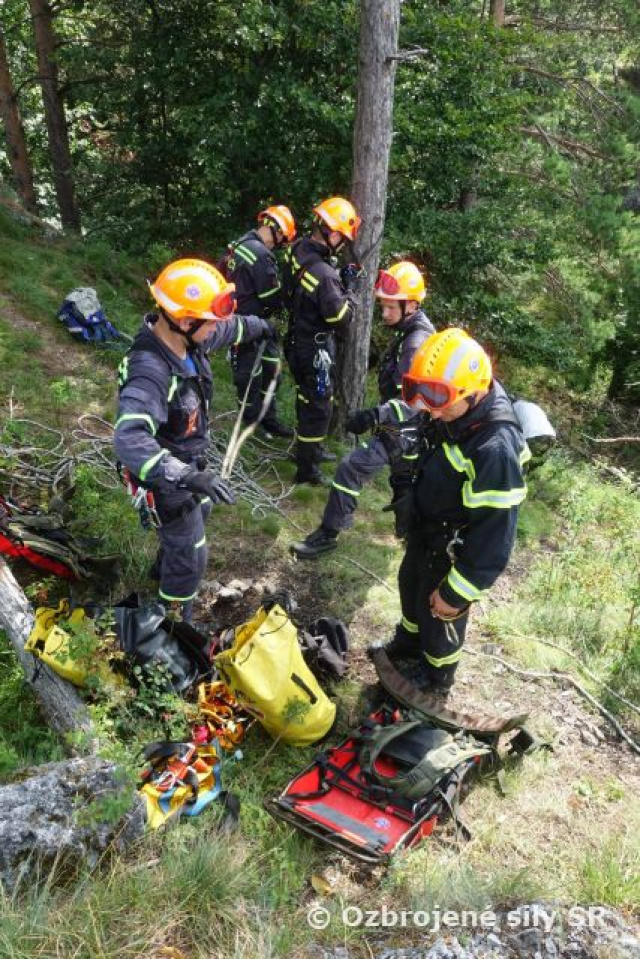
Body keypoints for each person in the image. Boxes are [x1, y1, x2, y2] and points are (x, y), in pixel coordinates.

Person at [114, 258, 275, 621]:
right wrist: (186, 476)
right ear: (186, 321)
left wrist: (259, 326)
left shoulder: (186, 339)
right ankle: (173, 623)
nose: (216, 326)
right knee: (192, 553)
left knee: (198, 512)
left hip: (186, 466)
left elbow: (226, 328)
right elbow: (130, 439)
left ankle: (162, 570)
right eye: (210, 319)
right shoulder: (150, 372)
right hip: (164, 478)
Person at [374, 328, 530, 696]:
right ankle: (408, 645)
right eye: (421, 393)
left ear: (472, 393)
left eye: (438, 397)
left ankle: (436, 677)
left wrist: (457, 593)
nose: (430, 407)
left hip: (454, 550)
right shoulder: (453, 413)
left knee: (438, 615)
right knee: (411, 586)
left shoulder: (495, 449)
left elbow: (493, 540)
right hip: (427, 532)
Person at [291, 261, 435, 558]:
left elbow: (415, 400)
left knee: (350, 468)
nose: (384, 314)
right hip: (410, 429)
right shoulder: (414, 330)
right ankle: (413, 539)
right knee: (404, 484)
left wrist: (374, 416)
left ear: (410, 304)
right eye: (382, 306)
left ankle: (327, 535)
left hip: (402, 429)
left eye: (390, 307)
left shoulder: (415, 342)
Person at [282, 196, 361, 485]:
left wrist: (337, 278)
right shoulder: (326, 276)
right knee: (319, 405)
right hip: (314, 349)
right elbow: (340, 317)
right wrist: (349, 289)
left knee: (306, 397)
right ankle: (308, 470)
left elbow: (308, 291)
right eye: (345, 238)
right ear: (335, 233)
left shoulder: (298, 250)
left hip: (295, 339)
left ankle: (306, 449)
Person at [222, 205, 297, 439]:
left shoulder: (239, 243)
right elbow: (270, 297)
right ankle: (251, 421)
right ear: (275, 230)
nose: (278, 245)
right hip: (251, 323)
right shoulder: (262, 254)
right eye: (281, 240)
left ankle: (268, 419)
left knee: (271, 367)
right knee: (250, 373)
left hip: (247, 321)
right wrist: (288, 289)